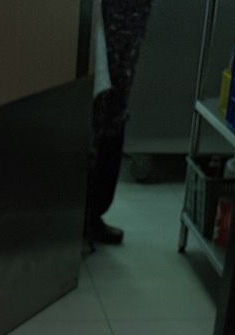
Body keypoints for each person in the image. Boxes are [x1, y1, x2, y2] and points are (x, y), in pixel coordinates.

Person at [86, 0, 155, 247]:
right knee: (99, 109)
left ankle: (92, 215)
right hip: (111, 17)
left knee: (113, 112)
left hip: (128, 16)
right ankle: (84, 217)